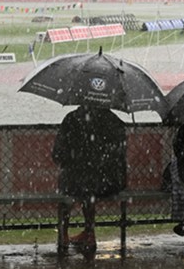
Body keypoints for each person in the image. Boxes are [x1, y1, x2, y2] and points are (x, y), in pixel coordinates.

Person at [51, 104, 127, 252]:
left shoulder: (72, 119)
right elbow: (120, 154)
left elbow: (58, 154)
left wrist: (73, 160)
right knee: (89, 190)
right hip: (110, 181)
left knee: (71, 189)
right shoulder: (114, 121)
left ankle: (64, 234)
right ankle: (90, 233)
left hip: (78, 179)